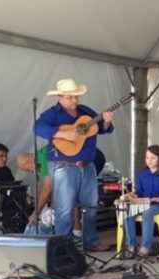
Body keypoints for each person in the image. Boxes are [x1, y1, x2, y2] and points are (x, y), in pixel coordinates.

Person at [34, 78, 114, 252]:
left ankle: (91, 241)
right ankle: (64, 246)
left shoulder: (85, 112)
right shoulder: (53, 113)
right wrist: (62, 134)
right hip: (63, 166)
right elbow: (38, 127)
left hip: (88, 166)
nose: (74, 101)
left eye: (76, 97)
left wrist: (106, 121)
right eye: (70, 97)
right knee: (64, 208)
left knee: (91, 205)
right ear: (60, 97)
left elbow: (103, 128)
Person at [123, 145, 159, 257]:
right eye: (147, 158)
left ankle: (145, 247)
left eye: (153, 158)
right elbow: (139, 192)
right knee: (127, 211)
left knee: (148, 213)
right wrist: (133, 196)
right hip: (144, 203)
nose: (149, 161)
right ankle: (131, 245)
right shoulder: (143, 174)